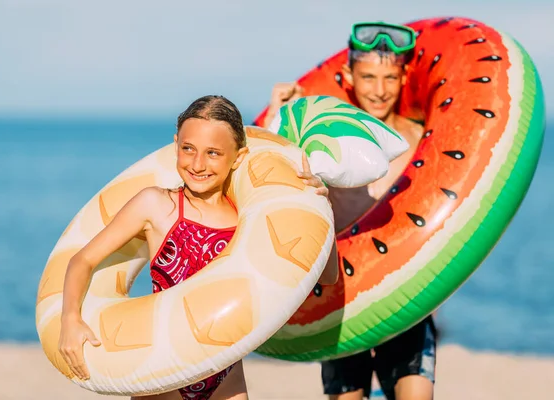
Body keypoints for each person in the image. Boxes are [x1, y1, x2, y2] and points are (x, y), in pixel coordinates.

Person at [57, 94, 335, 400]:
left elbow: (327, 275)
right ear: (176, 144)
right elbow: (82, 260)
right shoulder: (157, 205)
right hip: (162, 376)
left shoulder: (247, 218)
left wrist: (320, 205)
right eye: (188, 149)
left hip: (226, 377)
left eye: (214, 153)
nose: (198, 164)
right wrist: (70, 318)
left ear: (238, 157)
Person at [262, 22, 437, 400]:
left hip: (407, 291)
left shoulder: (424, 136)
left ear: (404, 76)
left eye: (390, 77)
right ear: (348, 76)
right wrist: (277, 114)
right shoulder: (325, 138)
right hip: (342, 295)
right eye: (368, 76)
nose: (379, 90)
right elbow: (268, 174)